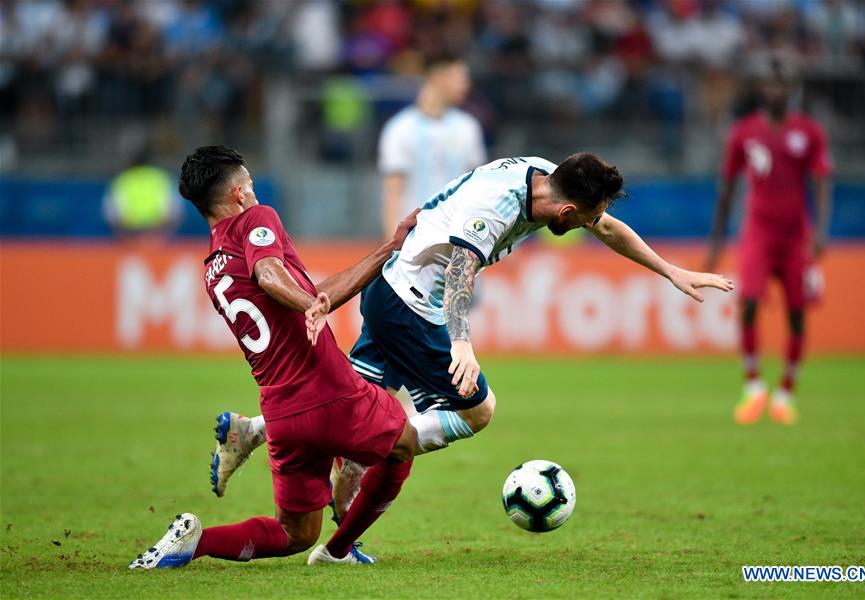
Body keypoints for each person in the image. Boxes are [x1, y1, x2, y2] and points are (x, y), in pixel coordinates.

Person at [212, 153, 734, 537]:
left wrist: (671, 271)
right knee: (476, 409)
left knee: (344, 405)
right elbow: (462, 269)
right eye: (584, 219)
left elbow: (609, 227)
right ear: (567, 208)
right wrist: (461, 342)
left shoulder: (544, 173)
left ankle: (254, 431)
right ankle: (368, 457)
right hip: (411, 303)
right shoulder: (500, 206)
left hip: (392, 285)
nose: (588, 226)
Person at [130, 146, 421, 569]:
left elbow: (318, 293)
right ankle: (341, 551)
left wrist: (388, 249)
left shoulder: (214, 265)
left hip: (283, 413)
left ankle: (195, 542)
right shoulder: (256, 219)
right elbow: (270, 274)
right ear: (237, 195)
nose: (254, 192)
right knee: (404, 446)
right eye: (248, 184)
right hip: (330, 392)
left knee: (295, 533)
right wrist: (309, 306)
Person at [706, 58, 832, 426]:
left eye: (783, 84)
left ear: (792, 89)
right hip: (758, 233)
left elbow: (822, 181)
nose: (776, 90)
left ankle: (786, 392)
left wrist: (822, 231)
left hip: (795, 236)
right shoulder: (744, 133)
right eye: (770, 84)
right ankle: (753, 386)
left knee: (797, 313)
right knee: (747, 304)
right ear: (762, 89)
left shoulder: (808, 132)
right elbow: (727, 189)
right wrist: (715, 244)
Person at [379, 52, 486, 239]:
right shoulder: (401, 128)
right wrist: (391, 245)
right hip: (415, 239)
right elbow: (393, 192)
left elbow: (477, 189)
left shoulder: (468, 127)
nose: (466, 85)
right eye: (461, 78)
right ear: (439, 78)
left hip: (458, 237)